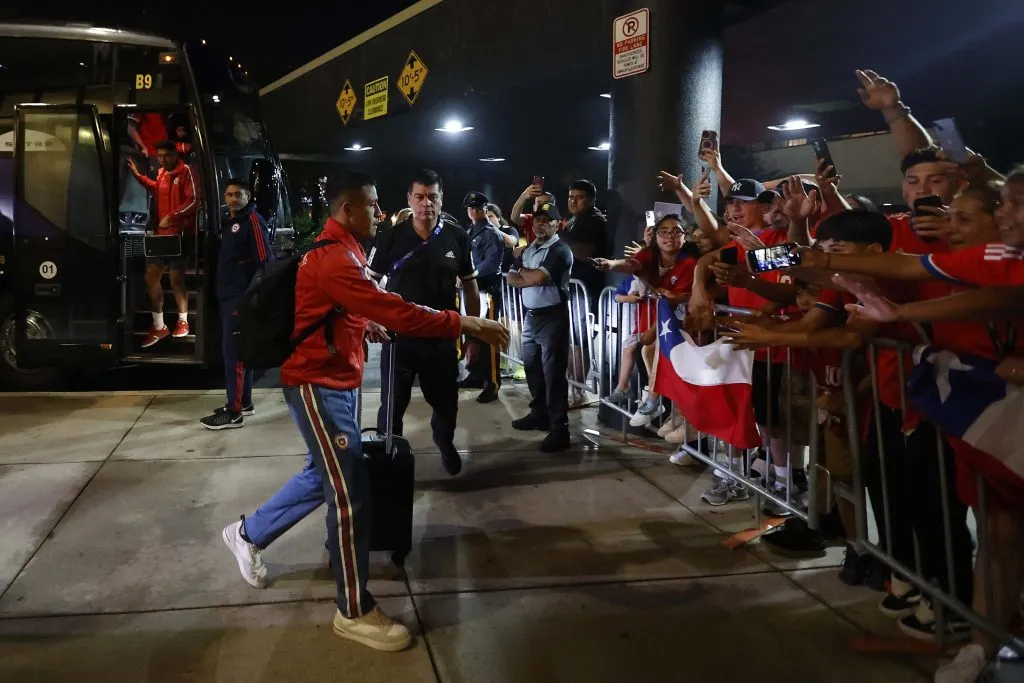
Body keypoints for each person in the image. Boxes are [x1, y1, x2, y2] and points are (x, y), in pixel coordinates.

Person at [220, 169, 508, 652]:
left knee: (324, 474)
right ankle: (353, 610)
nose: (379, 213)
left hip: (336, 379)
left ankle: (247, 534)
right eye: (371, 206)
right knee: (350, 491)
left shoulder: (347, 251)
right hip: (316, 384)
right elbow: (397, 309)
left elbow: (350, 306)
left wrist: (360, 323)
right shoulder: (336, 258)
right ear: (347, 212)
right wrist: (468, 323)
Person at [367, 169, 479, 476]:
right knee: (392, 406)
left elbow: (470, 286)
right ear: (409, 199)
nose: (425, 203)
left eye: (432, 196)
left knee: (446, 402)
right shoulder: (390, 238)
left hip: (441, 339)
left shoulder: (457, 237)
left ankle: (444, 441)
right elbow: (369, 284)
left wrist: (473, 331)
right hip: (398, 338)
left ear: (441, 199)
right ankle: (389, 457)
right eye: (419, 196)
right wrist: (370, 319)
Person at [199, 179, 272, 430]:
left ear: (248, 195)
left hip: (240, 298)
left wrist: (252, 298)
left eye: (238, 194)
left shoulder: (252, 221)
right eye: (229, 195)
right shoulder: (228, 222)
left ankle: (234, 411)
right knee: (237, 351)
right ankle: (245, 402)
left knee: (235, 354)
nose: (233, 199)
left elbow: (265, 262)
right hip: (227, 295)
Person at [507, 201, 574, 452]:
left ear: (558, 224)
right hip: (531, 316)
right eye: (537, 220)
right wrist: (528, 276)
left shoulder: (559, 250)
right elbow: (512, 279)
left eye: (546, 220)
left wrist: (525, 274)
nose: (540, 224)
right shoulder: (530, 249)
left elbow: (536, 277)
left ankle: (560, 429)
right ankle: (539, 414)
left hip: (553, 317)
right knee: (533, 368)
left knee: (554, 374)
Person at [127, 140, 198, 347]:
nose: (163, 159)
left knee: (176, 280)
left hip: (179, 235)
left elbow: (194, 200)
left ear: (176, 155)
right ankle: (159, 326)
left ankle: (183, 321)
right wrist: (138, 176)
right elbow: (155, 188)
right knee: (151, 279)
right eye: (159, 156)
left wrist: (173, 216)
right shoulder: (161, 173)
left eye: (166, 155)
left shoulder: (187, 171)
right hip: (160, 235)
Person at [459, 191, 506, 403]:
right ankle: (477, 375)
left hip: (488, 292)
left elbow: (490, 265)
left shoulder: (491, 233)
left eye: (478, 207)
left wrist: (469, 276)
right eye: (471, 208)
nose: (474, 211)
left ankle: (492, 383)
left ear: (486, 209)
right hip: (475, 291)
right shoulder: (471, 231)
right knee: (474, 334)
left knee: (489, 339)